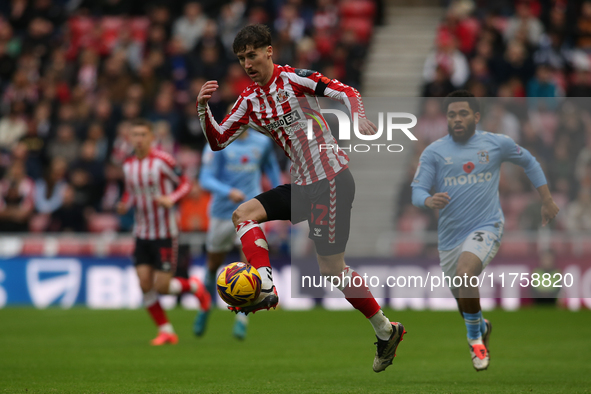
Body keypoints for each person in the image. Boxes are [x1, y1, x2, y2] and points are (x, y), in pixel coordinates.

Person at [196, 24, 405, 372]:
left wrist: (360, 119)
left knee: (332, 270)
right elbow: (218, 141)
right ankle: (264, 282)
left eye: (252, 54)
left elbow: (346, 92)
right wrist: (203, 110)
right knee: (242, 215)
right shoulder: (248, 101)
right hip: (304, 185)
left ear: (268, 51)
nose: (248, 63)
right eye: (241, 58)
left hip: (333, 180)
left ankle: (385, 330)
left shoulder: (294, 79)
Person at [411, 90, 559, 371]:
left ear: (476, 116)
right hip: (449, 239)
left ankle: (475, 342)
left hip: (486, 226)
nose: (457, 119)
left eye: (463, 113)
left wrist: (547, 199)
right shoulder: (434, 152)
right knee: (464, 301)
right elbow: (417, 190)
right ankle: (481, 326)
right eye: (452, 114)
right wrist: (428, 200)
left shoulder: (495, 144)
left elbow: (529, 160)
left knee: (466, 274)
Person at [116, 119, 211, 346]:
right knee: (144, 283)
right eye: (134, 135)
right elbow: (131, 192)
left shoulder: (163, 161)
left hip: (165, 232)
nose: (138, 139)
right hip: (141, 232)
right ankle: (166, 330)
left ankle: (195, 286)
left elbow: (186, 184)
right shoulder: (128, 164)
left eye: (142, 134)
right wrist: (124, 203)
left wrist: (171, 199)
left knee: (162, 287)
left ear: (151, 138)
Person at [193, 129, 281, 339]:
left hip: (251, 212)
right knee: (213, 263)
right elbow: (205, 179)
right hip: (222, 213)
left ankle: (242, 318)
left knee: (249, 264)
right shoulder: (218, 144)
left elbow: (271, 168)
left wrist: (278, 196)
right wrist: (228, 192)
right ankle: (205, 307)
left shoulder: (262, 143)